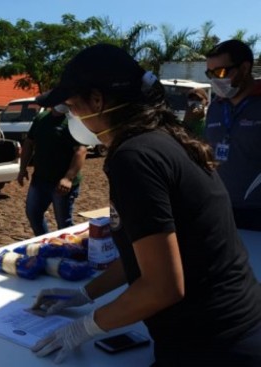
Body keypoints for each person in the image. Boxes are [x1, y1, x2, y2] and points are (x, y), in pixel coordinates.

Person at [31, 44, 261, 366]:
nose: (73, 116)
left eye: (72, 105)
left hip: (215, 344)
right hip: (239, 325)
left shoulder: (133, 158)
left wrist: (85, 327)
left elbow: (162, 286)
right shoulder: (162, 135)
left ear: (97, 100)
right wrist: (86, 294)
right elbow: (146, 254)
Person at [204, 39, 261, 231]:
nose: (215, 80)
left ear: (244, 68)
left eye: (220, 72)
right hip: (220, 209)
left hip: (256, 213)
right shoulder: (215, 108)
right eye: (209, 73)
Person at [16, 103, 87, 236]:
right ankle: (44, 242)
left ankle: (68, 250)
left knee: (64, 223)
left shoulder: (73, 122)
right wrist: (22, 168)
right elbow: (29, 143)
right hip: (40, 180)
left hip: (61, 184)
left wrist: (68, 178)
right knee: (33, 214)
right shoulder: (41, 118)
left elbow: (81, 151)